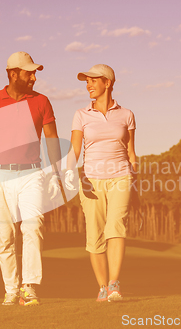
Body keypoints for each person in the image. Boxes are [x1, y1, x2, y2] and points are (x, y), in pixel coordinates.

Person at [0, 51, 62, 306]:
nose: (34, 77)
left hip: (32, 174)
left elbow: (52, 139)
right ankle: (11, 288)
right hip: (1, 176)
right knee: (5, 237)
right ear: (13, 74)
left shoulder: (42, 101)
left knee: (33, 227)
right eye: (29, 72)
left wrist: (57, 172)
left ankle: (29, 287)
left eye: (35, 72)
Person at [65, 64, 137, 302]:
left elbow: (131, 152)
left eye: (93, 80)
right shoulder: (81, 114)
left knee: (116, 227)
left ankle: (115, 285)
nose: (88, 85)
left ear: (107, 82)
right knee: (94, 235)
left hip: (121, 176)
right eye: (86, 81)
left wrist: (135, 181)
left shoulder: (126, 115)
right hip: (90, 180)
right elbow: (75, 149)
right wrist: (67, 173)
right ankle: (103, 287)